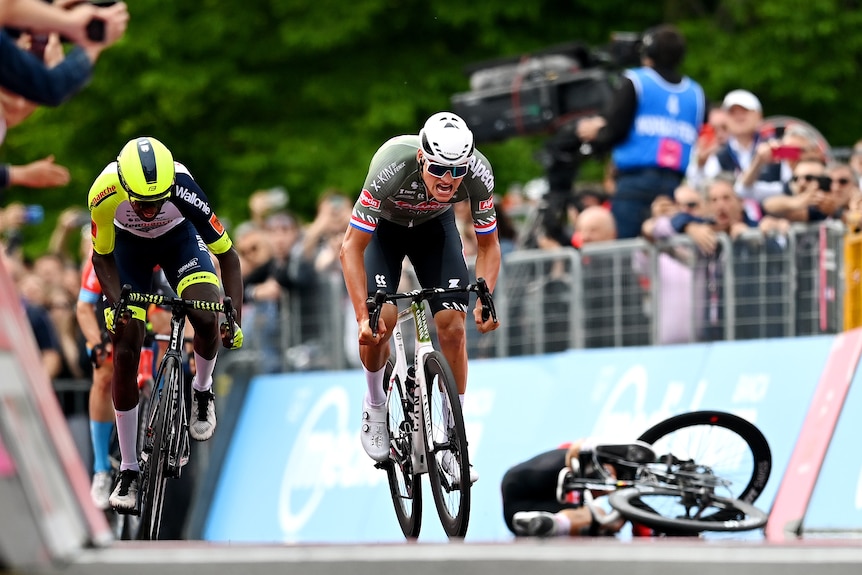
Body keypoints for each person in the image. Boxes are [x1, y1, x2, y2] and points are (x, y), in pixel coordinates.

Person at [340, 111, 501, 483]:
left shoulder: (479, 172)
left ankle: (454, 438)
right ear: (421, 159)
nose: (448, 180)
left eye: (457, 171)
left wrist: (486, 297)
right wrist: (363, 316)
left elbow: (489, 245)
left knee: (453, 328)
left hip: (435, 230)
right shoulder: (391, 164)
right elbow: (350, 247)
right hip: (386, 231)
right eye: (439, 170)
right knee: (383, 321)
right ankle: (375, 406)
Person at [87, 136, 244, 511]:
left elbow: (230, 257)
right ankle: (127, 469)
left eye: (158, 200)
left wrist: (232, 315)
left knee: (205, 315)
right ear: (125, 186)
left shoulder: (185, 189)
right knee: (124, 347)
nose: (150, 208)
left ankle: (202, 391)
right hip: (128, 253)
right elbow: (101, 256)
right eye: (141, 201)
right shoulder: (103, 192)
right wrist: (114, 303)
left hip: (180, 244)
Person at [576, 24, 706, 239]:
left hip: (634, 183)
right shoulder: (695, 92)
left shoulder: (636, 80)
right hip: (673, 183)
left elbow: (615, 129)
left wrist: (596, 135)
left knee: (627, 253)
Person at [502, 439, 656, 537]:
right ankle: (589, 451)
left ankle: (554, 525)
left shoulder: (590, 504)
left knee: (603, 520)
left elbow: (639, 528)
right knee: (574, 459)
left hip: (517, 514)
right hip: (521, 485)